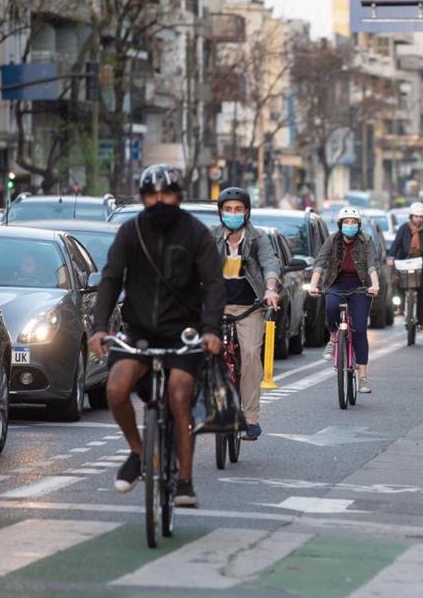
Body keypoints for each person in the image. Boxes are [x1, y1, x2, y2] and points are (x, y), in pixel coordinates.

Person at [88, 165, 224, 508]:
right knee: (116, 389)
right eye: (151, 195)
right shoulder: (129, 232)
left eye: (166, 195)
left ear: (179, 196)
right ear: (143, 197)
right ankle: (137, 452)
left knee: (179, 396)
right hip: (139, 332)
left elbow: (214, 285)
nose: (159, 201)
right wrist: (99, 327)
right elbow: (110, 279)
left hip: (184, 333)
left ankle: (185, 482)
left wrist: (210, 331)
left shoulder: (197, 234)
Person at [212, 187, 281, 441]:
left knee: (251, 355)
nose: (233, 214)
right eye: (227, 210)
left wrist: (270, 289)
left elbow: (270, 263)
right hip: (216, 308)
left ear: (247, 212)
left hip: (248, 308)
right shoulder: (211, 238)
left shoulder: (257, 238)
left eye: (238, 210)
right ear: (220, 212)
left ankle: (250, 418)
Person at [310, 207, 381, 393]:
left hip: (360, 286)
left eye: (354, 222)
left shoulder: (366, 241)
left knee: (359, 329)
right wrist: (313, 284)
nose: (350, 226)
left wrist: (375, 285)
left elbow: (372, 264)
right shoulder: (332, 240)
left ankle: (363, 377)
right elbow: (320, 262)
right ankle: (333, 339)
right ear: (340, 224)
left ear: (359, 225)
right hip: (336, 284)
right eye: (347, 222)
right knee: (331, 306)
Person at [386, 201, 423, 333]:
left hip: (421, 263)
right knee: (398, 284)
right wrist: (391, 257)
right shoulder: (403, 229)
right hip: (405, 261)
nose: (419, 219)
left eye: (421, 217)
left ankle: (422, 322)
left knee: (421, 292)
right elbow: (396, 244)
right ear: (411, 217)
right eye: (416, 216)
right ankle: (400, 308)